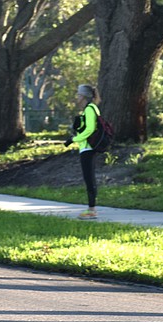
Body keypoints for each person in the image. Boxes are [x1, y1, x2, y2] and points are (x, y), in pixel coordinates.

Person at [65, 84, 101, 220]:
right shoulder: (88, 110)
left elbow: (90, 129)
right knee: (88, 177)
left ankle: (92, 210)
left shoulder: (90, 109)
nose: (77, 97)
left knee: (89, 178)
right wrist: (78, 125)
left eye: (79, 94)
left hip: (88, 148)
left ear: (84, 96)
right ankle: (91, 208)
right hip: (85, 147)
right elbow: (86, 127)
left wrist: (75, 139)